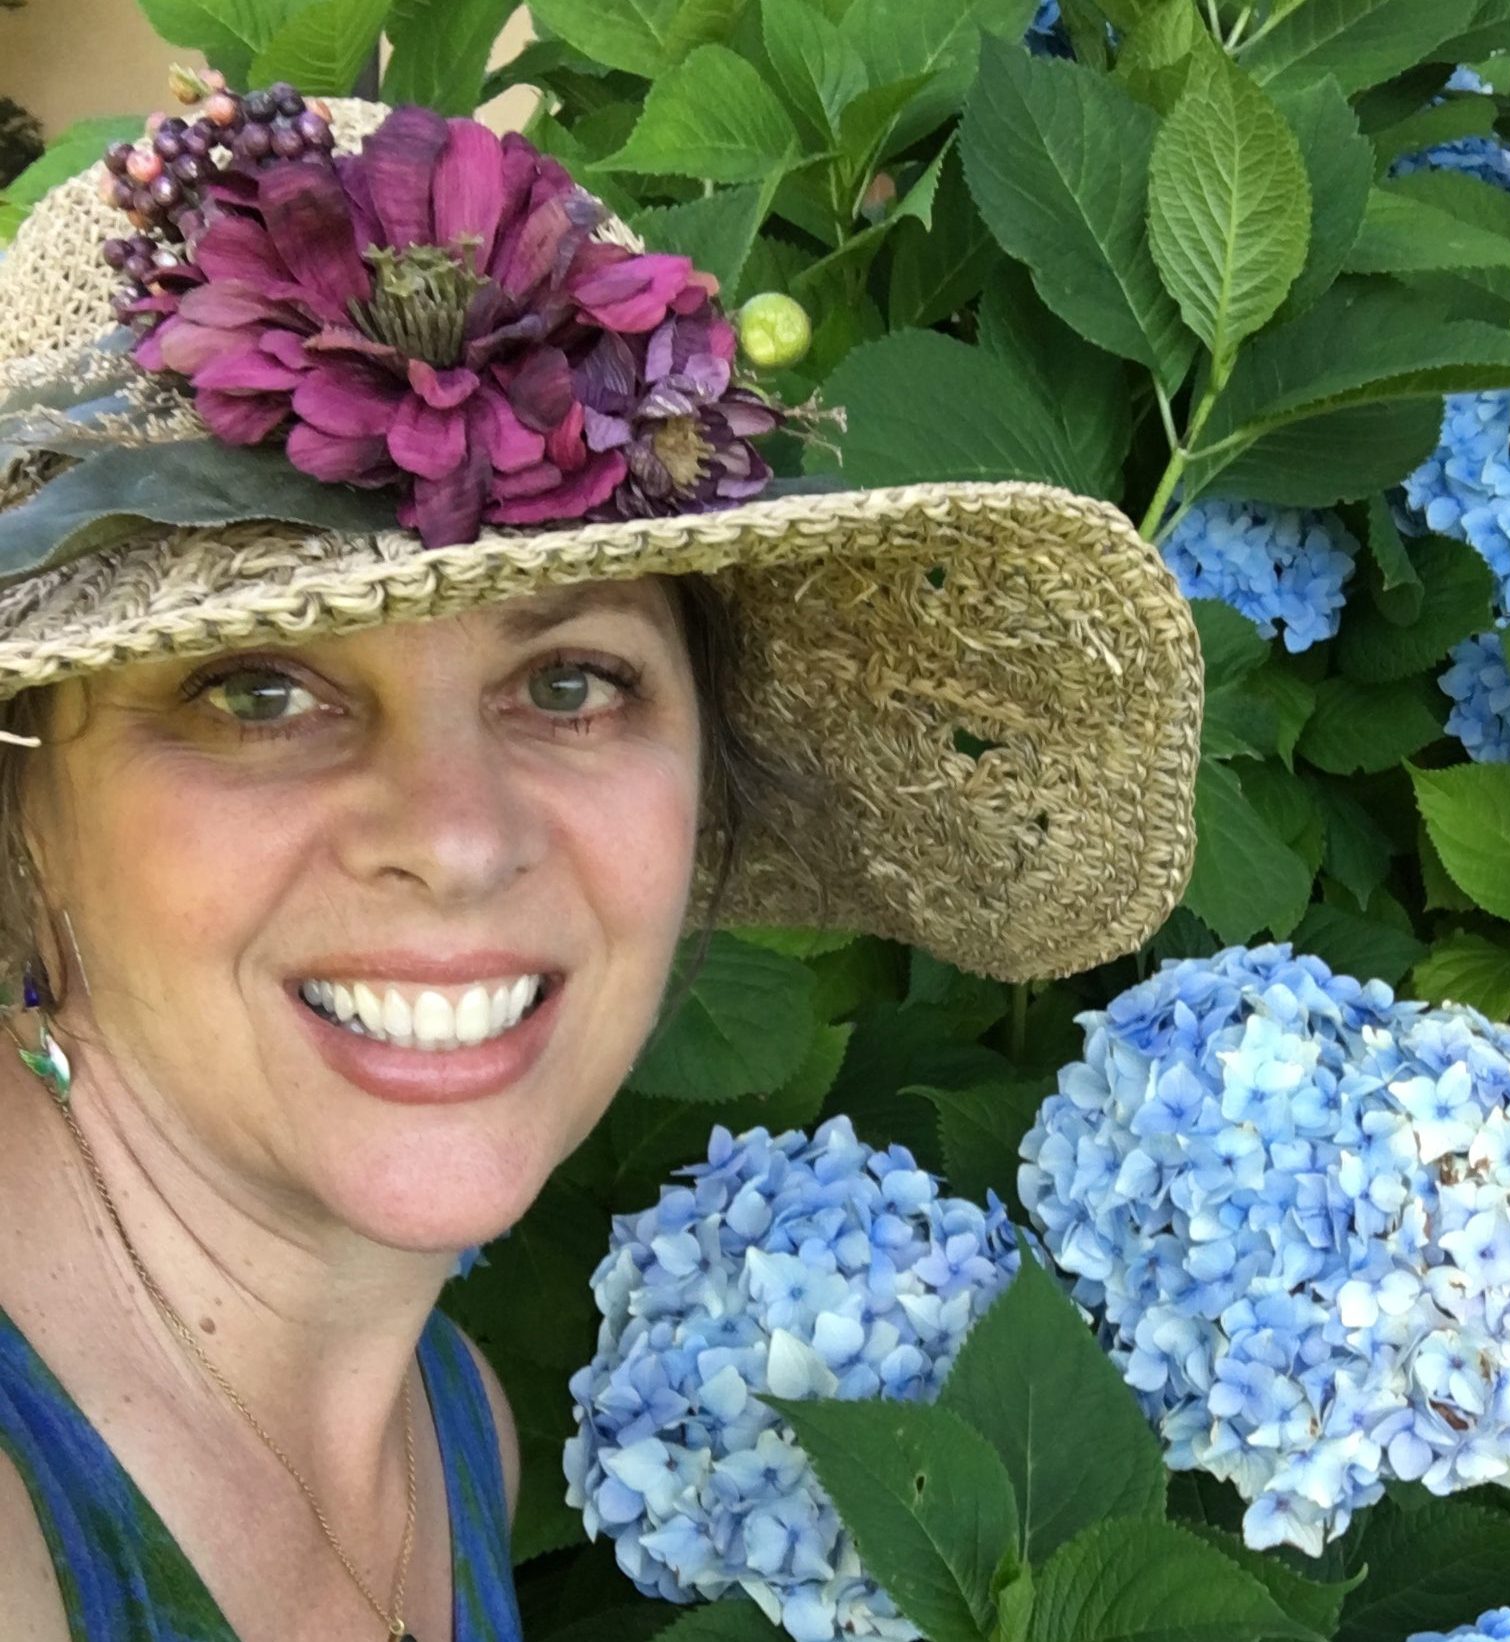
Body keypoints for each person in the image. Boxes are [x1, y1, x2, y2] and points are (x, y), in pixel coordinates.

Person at [0, 87, 1201, 1642]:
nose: (457, 837)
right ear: (25, 798)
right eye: (258, 692)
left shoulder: (457, 1427)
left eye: (568, 681)